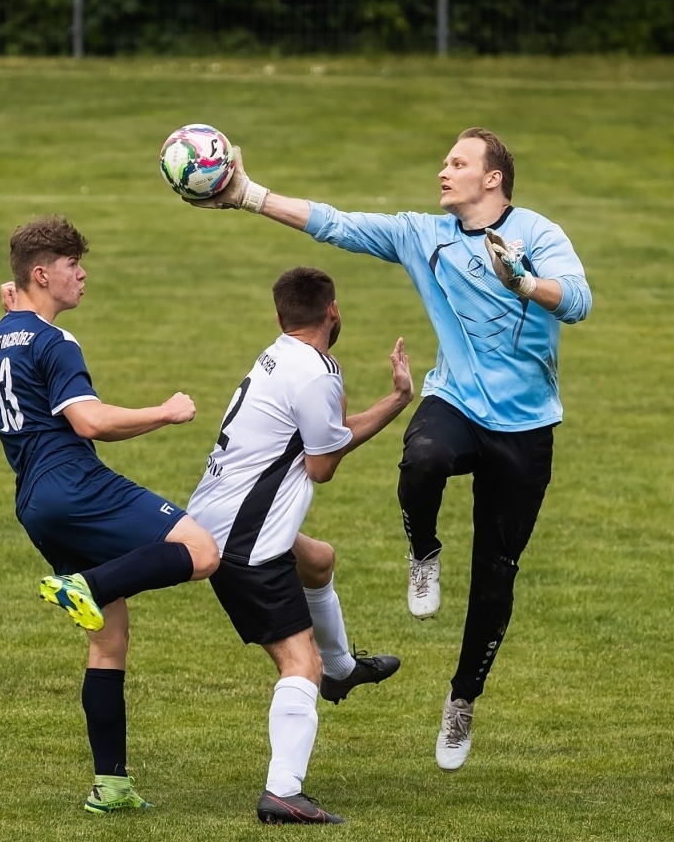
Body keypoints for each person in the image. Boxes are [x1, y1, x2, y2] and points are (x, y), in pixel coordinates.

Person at [190, 128, 592, 772]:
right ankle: (423, 552)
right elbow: (336, 224)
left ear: (493, 178)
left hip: (526, 428)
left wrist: (524, 281)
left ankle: (462, 698)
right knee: (423, 457)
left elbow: (578, 301)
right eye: (445, 161)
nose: (444, 170)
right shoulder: (422, 235)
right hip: (456, 401)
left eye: (458, 162)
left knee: (496, 579)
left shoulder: (537, 234)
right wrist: (249, 195)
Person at [0, 215, 220, 814]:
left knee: (108, 642)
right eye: (71, 265)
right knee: (203, 551)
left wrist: (9, 317)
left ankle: (111, 785)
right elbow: (90, 422)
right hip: (75, 484)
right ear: (40, 275)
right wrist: (165, 411)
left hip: (34, 503)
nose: (81, 275)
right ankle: (87, 585)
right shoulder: (55, 341)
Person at [188, 266, 413, 824]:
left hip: (213, 518)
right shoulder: (316, 373)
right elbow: (322, 464)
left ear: (280, 315)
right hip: (245, 539)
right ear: (333, 311)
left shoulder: (278, 355)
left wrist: (383, 400)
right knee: (298, 663)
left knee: (318, 560)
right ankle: (283, 791)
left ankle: (341, 669)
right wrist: (397, 400)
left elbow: (320, 435)